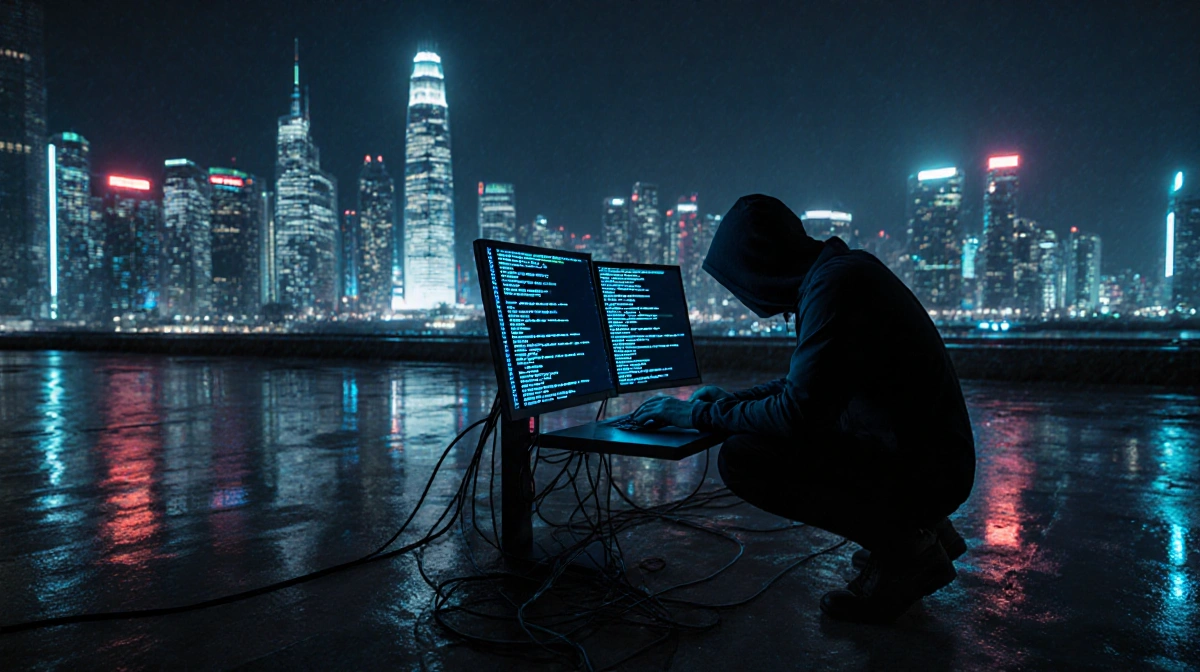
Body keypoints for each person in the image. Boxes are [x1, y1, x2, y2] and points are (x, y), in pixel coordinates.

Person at [629, 194, 976, 624]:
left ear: (760, 266)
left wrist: (696, 416)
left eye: (739, 282)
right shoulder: (840, 274)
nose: (744, 300)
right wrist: (729, 403)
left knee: (743, 458)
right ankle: (926, 528)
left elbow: (798, 414)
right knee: (757, 434)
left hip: (930, 472)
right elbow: (809, 388)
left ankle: (908, 548)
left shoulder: (834, 286)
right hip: (930, 458)